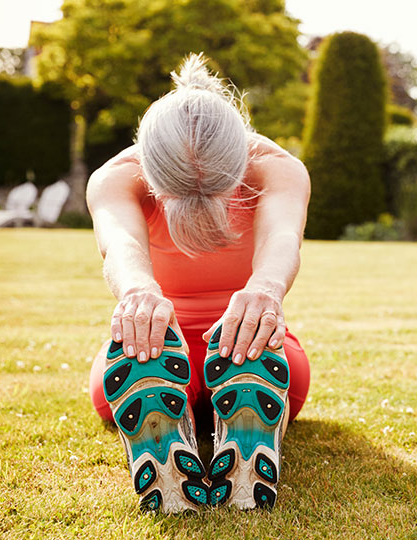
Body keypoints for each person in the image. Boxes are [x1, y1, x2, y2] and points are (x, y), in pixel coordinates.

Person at [86, 53, 311, 513]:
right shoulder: (116, 178)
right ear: (149, 174)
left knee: (117, 379)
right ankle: (236, 419)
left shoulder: (275, 167)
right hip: (203, 343)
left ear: (240, 161)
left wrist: (265, 288)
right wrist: (138, 292)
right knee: (285, 370)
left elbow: (282, 236)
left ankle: (180, 422)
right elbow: (121, 243)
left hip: (217, 337)